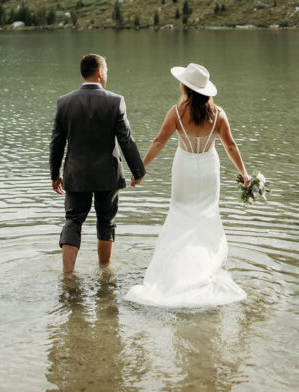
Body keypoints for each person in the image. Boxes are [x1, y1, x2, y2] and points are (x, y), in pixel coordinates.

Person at [125, 62, 249, 308]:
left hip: (184, 169)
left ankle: (177, 268)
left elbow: (159, 141)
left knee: (181, 214)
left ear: (186, 87)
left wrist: (141, 169)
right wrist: (244, 174)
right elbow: (231, 146)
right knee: (206, 215)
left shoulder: (177, 112)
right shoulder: (219, 115)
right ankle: (204, 266)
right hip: (208, 170)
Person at [50, 53, 145, 272]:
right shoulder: (115, 101)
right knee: (106, 221)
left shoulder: (64, 102)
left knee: (73, 221)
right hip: (107, 175)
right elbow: (126, 139)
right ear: (100, 73)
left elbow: (56, 143)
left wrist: (55, 175)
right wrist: (137, 170)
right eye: (106, 72)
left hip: (76, 173)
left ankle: (68, 275)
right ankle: (105, 272)